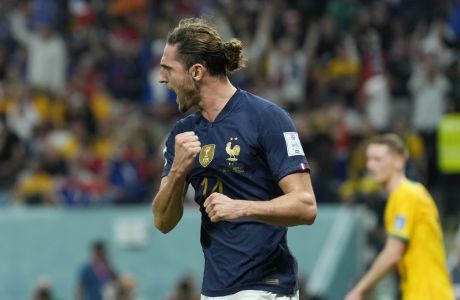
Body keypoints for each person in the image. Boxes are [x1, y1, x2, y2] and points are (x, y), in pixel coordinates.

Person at [152, 18, 317, 300]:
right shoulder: (182, 134)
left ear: (196, 71)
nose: (162, 79)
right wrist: (178, 171)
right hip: (214, 291)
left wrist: (241, 208)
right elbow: (162, 222)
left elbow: (306, 206)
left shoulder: (267, 118)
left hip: (267, 287)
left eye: (168, 69)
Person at [345, 134, 454, 300]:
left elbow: (393, 252)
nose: (370, 165)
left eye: (377, 159)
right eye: (368, 159)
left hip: (429, 294)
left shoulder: (407, 194)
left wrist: (359, 290)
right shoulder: (398, 199)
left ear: (399, 161)